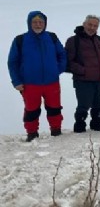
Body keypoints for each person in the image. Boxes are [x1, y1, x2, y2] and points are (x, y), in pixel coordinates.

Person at [7, 11, 67, 141]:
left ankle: (56, 131)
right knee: (31, 110)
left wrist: (57, 69)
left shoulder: (52, 37)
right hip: (30, 83)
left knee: (54, 108)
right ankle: (32, 133)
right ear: (29, 23)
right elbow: (12, 62)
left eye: (41, 22)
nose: (38, 24)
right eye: (35, 22)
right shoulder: (20, 40)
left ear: (45, 23)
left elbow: (62, 55)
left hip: (52, 82)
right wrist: (16, 81)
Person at [65, 15, 100, 133]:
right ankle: (79, 127)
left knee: (97, 103)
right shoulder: (73, 40)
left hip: (99, 78)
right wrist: (83, 71)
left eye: (95, 26)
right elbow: (68, 62)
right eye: (90, 25)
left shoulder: (98, 39)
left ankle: (96, 125)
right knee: (83, 105)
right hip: (83, 80)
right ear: (84, 24)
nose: (92, 28)